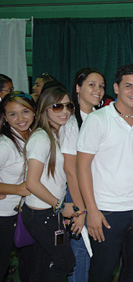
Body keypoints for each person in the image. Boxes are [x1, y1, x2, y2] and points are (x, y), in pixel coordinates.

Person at [77, 64, 133, 282]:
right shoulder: (98, 120)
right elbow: (82, 167)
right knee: (102, 273)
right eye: (128, 86)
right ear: (116, 88)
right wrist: (91, 210)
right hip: (107, 212)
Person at [21, 85, 76, 281]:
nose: (65, 111)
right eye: (57, 106)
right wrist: (60, 207)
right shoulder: (41, 138)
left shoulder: (57, 134)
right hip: (42, 213)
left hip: (49, 211)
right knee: (65, 262)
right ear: (44, 108)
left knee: (42, 264)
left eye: (68, 106)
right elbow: (32, 183)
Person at [60, 67, 106, 282]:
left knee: (95, 256)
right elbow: (71, 169)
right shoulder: (71, 123)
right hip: (77, 195)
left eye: (101, 86)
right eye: (91, 85)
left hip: (98, 193)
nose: (98, 90)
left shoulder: (101, 118)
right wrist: (81, 209)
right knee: (81, 254)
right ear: (77, 88)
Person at [0, 92, 33, 281]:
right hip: (4, 217)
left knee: (29, 264)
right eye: (13, 114)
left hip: (25, 214)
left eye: (25, 111)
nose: (20, 119)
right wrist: (15, 189)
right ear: (5, 117)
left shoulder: (34, 136)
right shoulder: (5, 145)